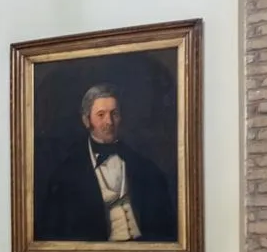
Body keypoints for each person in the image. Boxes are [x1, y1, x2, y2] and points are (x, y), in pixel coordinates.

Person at [36, 84, 177, 243]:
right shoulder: (65, 175)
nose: (109, 121)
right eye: (101, 115)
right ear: (86, 120)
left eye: (114, 114)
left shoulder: (145, 167)